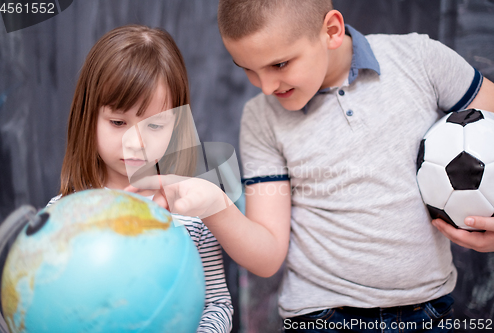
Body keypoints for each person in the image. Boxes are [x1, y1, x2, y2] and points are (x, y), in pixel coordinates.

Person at [129, 1, 494, 332]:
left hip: (432, 309)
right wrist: (214, 204)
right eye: (249, 70)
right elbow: (268, 255)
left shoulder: (420, 60)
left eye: (280, 65)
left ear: (332, 30)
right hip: (321, 316)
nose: (267, 86)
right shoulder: (261, 118)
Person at [47, 24, 233, 333]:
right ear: (87, 116)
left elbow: (216, 305)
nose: (136, 142)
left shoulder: (194, 212)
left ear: (177, 124)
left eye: (155, 126)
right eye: (118, 122)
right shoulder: (60, 213)